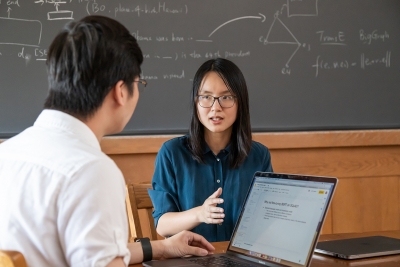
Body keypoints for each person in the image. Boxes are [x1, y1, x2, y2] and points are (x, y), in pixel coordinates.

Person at [0, 15, 215, 267]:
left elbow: (88, 253)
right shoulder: (90, 171)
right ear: (120, 91)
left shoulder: (9, 153)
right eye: (138, 83)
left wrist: (162, 247)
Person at [149, 58, 273, 242]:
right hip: (190, 259)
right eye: (206, 97)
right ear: (196, 102)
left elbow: (267, 219)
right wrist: (200, 214)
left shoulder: (259, 155)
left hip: (241, 259)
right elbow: (162, 224)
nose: (216, 108)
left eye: (226, 97)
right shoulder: (172, 153)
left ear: (240, 103)